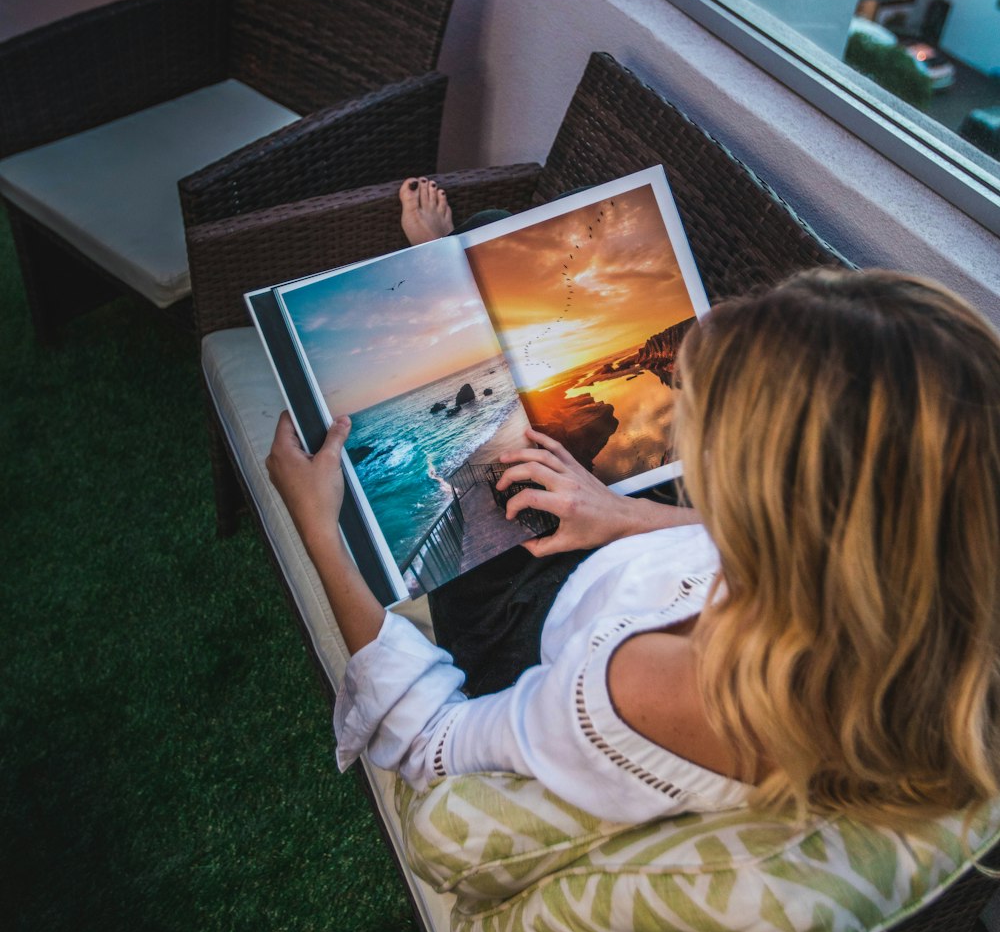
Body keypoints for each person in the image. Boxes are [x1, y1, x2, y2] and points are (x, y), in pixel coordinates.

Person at [266, 184, 1000, 829]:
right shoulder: (913, 580)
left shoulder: (649, 684)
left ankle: (448, 270)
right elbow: (781, 554)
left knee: (497, 484)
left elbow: (430, 739)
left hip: (529, 622)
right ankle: (453, 263)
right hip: (635, 554)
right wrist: (624, 516)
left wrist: (318, 528)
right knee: (495, 233)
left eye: (711, 420)